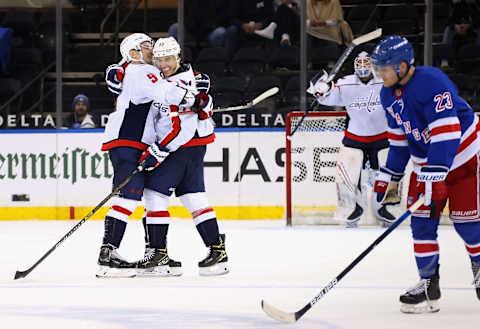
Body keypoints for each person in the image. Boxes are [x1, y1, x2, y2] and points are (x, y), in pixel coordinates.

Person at [371, 35, 480, 313]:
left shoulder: (432, 82)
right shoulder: (387, 95)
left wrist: (437, 177)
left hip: (461, 155)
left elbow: (447, 132)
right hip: (427, 163)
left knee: (466, 222)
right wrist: (389, 176)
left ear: (402, 66)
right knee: (420, 222)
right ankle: (429, 284)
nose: (378, 74)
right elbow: (399, 142)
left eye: (383, 69)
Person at [105, 37, 229, 277]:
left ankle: (158, 256)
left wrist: (159, 149)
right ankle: (217, 252)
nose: (163, 64)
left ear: (178, 57)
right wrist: (119, 68)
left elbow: (180, 126)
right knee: (194, 197)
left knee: (154, 195)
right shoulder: (176, 78)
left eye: (168, 59)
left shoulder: (177, 83)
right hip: (193, 147)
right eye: (160, 59)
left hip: (180, 147)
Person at [307, 51, 399, 228]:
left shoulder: (385, 81)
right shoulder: (345, 83)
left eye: (367, 65)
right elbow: (325, 99)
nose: (364, 69)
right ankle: (352, 209)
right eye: (360, 65)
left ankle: (385, 208)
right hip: (355, 138)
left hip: (383, 137)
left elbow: (402, 93)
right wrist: (322, 90)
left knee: (388, 175)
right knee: (349, 177)